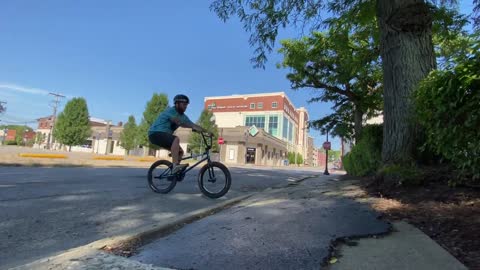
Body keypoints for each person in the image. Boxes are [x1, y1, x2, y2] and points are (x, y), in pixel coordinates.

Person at [148, 94, 212, 174]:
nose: (185, 107)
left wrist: (206, 131)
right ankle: (175, 166)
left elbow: (193, 125)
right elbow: (177, 121)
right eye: (184, 104)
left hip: (163, 135)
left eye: (186, 105)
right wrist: (188, 125)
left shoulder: (183, 116)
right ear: (177, 104)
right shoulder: (171, 111)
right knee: (176, 139)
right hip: (155, 133)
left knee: (180, 152)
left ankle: (174, 174)